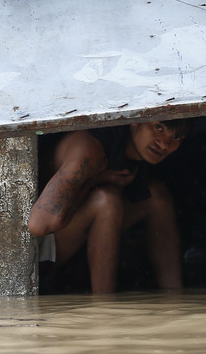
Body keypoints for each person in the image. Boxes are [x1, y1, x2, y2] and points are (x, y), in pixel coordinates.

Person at [29, 120, 192, 294]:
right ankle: (104, 307)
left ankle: (174, 296)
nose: (164, 144)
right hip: (36, 256)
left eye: (176, 137)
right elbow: (39, 225)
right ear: (135, 122)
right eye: (158, 128)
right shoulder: (89, 148)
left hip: (71, 243)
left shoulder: (126, 150)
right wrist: (94, 180)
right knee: (107, 200)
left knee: (156, 196)